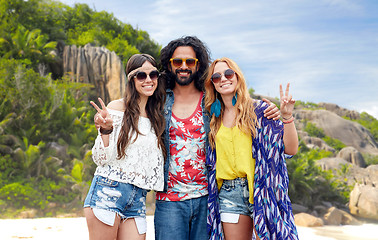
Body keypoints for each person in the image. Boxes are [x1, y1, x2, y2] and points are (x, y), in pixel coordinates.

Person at [154, 36, 281, 240]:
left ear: (199, 65)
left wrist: (272, 111)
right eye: (177, 62)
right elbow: (133, 103)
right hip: (169, 201)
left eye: (190, 62)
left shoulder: (211, 102)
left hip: (207, 198)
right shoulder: (158, 101)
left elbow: (240, 108)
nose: (184, 66)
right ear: (169, 66)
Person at [204, 57, 299, 240]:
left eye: (228, 73)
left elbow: (290, 149)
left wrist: (286, 117)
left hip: (263, 190)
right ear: (213, 84)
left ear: (237, 77)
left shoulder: (260, 111)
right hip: (229, 194)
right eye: (216, 77)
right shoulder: (213, 119)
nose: (223, 79)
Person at [83, 53, 166, 240]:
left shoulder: (157, 116)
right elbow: (100, 159)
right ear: (131, 79)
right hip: (108, 190)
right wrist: (105, 131)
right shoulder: (117, 108)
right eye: (141, 75)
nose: (148, 80)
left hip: (138, 198)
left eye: (153, 74)